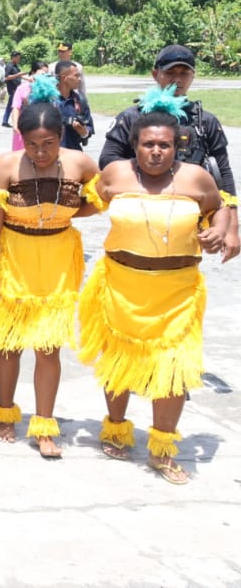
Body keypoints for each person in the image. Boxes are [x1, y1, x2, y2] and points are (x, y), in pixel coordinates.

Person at [80, 90, 231, 484]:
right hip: (121, 286)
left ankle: (162, 450)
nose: (157, 152)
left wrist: (218, 231)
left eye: (165, 145)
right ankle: (115, 428)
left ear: (177, 146)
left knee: (173, 370)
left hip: (177, 293)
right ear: (135, 145)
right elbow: (82, 202)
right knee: (120, 362)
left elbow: (221, 207)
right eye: (148, 144)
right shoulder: (114, 175)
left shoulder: (196, 178)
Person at [0, 92, 101, 459]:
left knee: (47, 347)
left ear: (61, 137)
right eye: (32, 145)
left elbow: (96, 201)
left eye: (49, 144)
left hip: (57, 262)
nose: (41, 153)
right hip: (15, 259)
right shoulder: (7, 166)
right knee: (9, 344)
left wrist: (67, 214)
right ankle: (6, 416)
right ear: (20, 139)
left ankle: (43, 425)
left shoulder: (80, 164)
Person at [99, 45, 238, 260]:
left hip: (186, 218)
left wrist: (232, 227)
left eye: (184, 73)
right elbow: (108, 160)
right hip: (140, 214)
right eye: (170, 73)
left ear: (193, 76)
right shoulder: (131, 118)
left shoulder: (204, 122)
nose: (177, 80)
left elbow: (223, 172)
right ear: (155, 74)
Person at [53, 60, 93, 152]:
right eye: (76, 76)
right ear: (64, 78)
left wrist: (84, 132)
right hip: (50, 156)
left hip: (74, 154)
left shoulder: (80, 100)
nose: (79, 79)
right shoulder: (47, 100)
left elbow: (89, 127)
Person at [8, 62, 49, 151]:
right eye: (41, 73)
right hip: (24, 126)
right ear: (33, 73)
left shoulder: (49, 90)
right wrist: (15, 125)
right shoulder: (22, 88)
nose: (44, 76)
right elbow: (16, 107)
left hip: (42, 126)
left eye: (46, 74)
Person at [1, 52, 25, 127]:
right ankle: (6, 121)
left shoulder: (15, 66)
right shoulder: (9, 66)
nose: (19, 60)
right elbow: (7, 77)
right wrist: (18, 74)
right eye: (17, 58)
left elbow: (19, 76)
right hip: (12, 88)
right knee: (15, 105)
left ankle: (5, 121)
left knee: (12, 105)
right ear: (13, 57)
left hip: (17, 88)